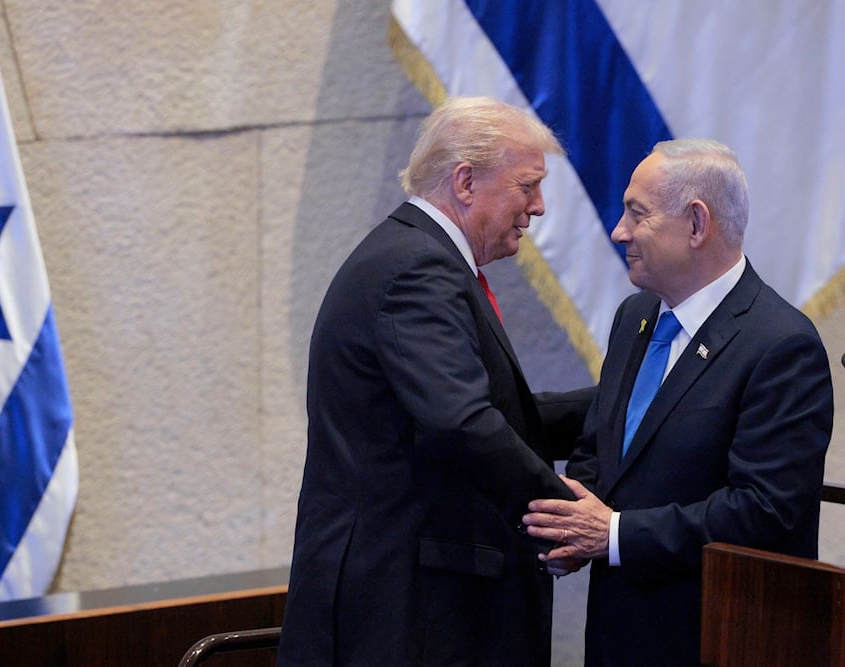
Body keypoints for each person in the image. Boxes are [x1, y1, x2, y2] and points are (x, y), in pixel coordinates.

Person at [277, 97, 593, 666]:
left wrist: (622, 408)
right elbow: (462, 424)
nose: (539, 207)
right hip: (408, 612)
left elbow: (486, 414)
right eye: (527, 186)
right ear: (466, 182)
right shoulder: (415, 270)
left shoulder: (414, 257)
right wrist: (562, 513)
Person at [523, 138, 834, 666]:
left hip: (717, 636)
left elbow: (765, 510)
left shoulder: (781, 345)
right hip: (617, 635)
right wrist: (574, 522)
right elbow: (603, 443)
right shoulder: (636, 316)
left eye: (636, 214)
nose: (619, 231)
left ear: (696, 224)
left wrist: (614, 534)